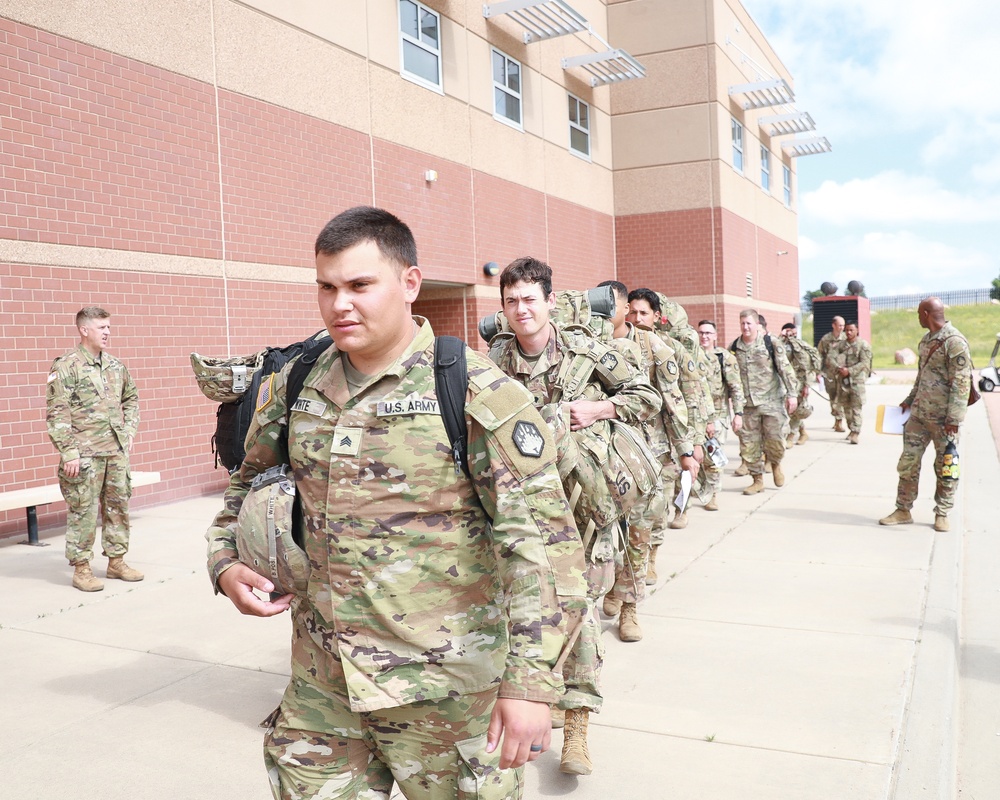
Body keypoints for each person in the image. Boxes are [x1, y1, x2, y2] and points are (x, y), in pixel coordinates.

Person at [206, 207, 588, 800]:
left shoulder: (473, 391)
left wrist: (532, 685)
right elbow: (246, 485)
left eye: (360, 285)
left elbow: (543, 545)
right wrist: (226, 562)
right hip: (324, 688)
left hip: (446, 697)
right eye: (326, 287)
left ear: (410, 284)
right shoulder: (298, 382)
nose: (339, 305)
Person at [489, 259, 660, 776]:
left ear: (549, 302)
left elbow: (647, 397)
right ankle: (542, 700)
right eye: (512, 301)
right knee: (521, 614)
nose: (521, 310)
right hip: (521, 511)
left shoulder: (588, 352)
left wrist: (598, 410)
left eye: (529, 300)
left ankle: (579, 725)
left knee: (579, 611)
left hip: (586, 504)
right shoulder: (494, 357)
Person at [597, 281, 694, 637]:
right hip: (600, 456)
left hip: (645, 456)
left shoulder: (655, 347)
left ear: (624, 309)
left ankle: (630, 608)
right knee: (604, 532)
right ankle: (612, 585)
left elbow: (674, 400)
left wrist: (686, 450)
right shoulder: (585, 345)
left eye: (613, 306)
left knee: (639, 533)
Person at [46, 306, 142, 592]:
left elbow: (132, 398)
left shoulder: (116, 366)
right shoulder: (66, 366)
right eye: (102, 327)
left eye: (109, 327)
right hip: (84, 455)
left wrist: (128, 433)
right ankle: (82, 568)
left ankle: (116, 561)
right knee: (83, 511)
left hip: (115, 452)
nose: (108, 332)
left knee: (118, 508)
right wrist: (68, 451)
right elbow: (56, 411)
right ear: (84, 330)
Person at [879, 297, 972, 533]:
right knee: (908, 463)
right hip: (919, 417)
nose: (918, 317)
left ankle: (942, 513)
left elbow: (961, 384)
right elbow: (922, 377)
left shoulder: (955, 342)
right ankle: (903, 509)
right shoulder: (926, 340)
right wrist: (909, 401)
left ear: (927, 313)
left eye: (919, 313)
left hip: (944, 420)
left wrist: (954, 419)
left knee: (946, 467)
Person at [627, 288, 712, 530]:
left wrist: (695, 441)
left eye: (643, 312)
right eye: (632, 312)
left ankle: (682, 509)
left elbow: (691, 396)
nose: (637, 318)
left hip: (670, 435)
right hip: (634, 438)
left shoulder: (673, 349)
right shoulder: (619, 347)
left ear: (656, 316)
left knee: (674, 483)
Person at [730, 309, 799, 495]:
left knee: (775, 440)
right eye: (742, 323)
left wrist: (792, 394)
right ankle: (757, 479)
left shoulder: (771, 342)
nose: (745, 327)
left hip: (771, 402)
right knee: (749, 445)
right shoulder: (735, 347)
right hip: (747, 406)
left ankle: (775, 464)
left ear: (757, 325)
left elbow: (785, 369)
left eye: (749, 323)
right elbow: (731, 378)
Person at [697, 319, 745, 510]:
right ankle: (702, 488)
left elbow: (735, 387)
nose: (704, 336)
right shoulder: (689, 356)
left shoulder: (724, 357)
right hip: (694, 418)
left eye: (708, 333)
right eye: (701, 332)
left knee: (713, 458)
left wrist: (738, 414)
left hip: (717, 417)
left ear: (715, 336)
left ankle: (713, 493)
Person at [831, 321, 873, 444]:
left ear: (857, 331)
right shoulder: (841, 345)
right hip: (843, 382)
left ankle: (855, 432)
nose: (848, 332)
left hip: (856, 381)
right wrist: (837, 368)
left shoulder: (863, 345)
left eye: (851, 330)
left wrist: (849, 371)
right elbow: (832, 357)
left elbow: (864, 363)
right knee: (846, 407)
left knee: (856, 407)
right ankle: (851, 429)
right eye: (847, 330)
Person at [779, 322, 816, 446]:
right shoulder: (780, 344)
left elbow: (808, 368)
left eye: (794, 333)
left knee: (796, 410)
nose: (792, 336)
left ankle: (791, 436)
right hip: (785, 383)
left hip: (799, 383)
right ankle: (803, 432)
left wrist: (807, 386)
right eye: (789, 333)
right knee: (789, 410)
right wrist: (781, 337)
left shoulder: (801, 347)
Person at [818, 316, 846, 432]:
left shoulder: (846, 338)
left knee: (841, 397)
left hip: (842, 374)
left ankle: (839, 421)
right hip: (829, 374)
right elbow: (819, 355)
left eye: (843, 325)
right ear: (833, 325)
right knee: (832, 397)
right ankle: (836, 419)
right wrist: (818, 371)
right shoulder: (826, 339)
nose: (842, 328)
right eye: (840, 325)